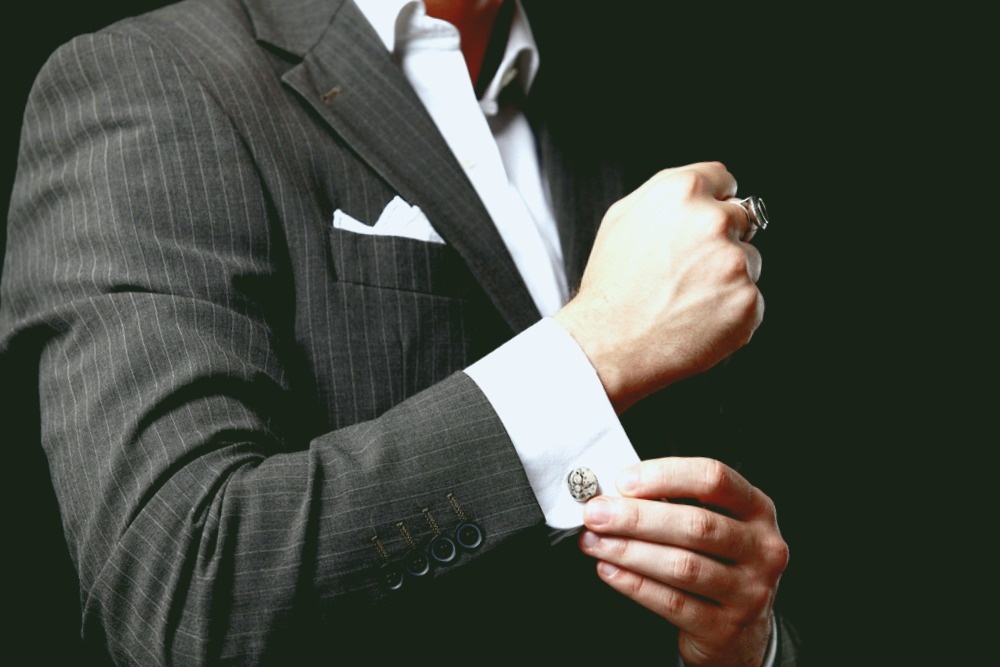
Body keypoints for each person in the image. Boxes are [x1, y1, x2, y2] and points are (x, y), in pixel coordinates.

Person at [0, 0, 800, 664]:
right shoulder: (154, 78)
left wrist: (748, 644)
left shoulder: (630, 91)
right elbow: (179, 592)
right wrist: (592, 350)